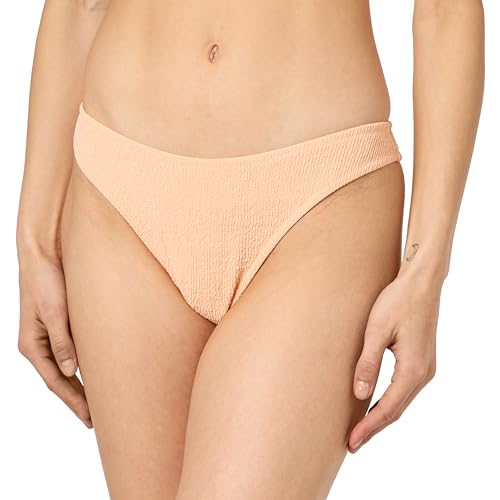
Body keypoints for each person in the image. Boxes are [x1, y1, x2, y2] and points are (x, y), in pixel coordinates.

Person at [16, 1, 485, 499]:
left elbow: (446, 9)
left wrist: (426, 268)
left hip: (318, 199)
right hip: (120, 191)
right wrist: (34, 242)